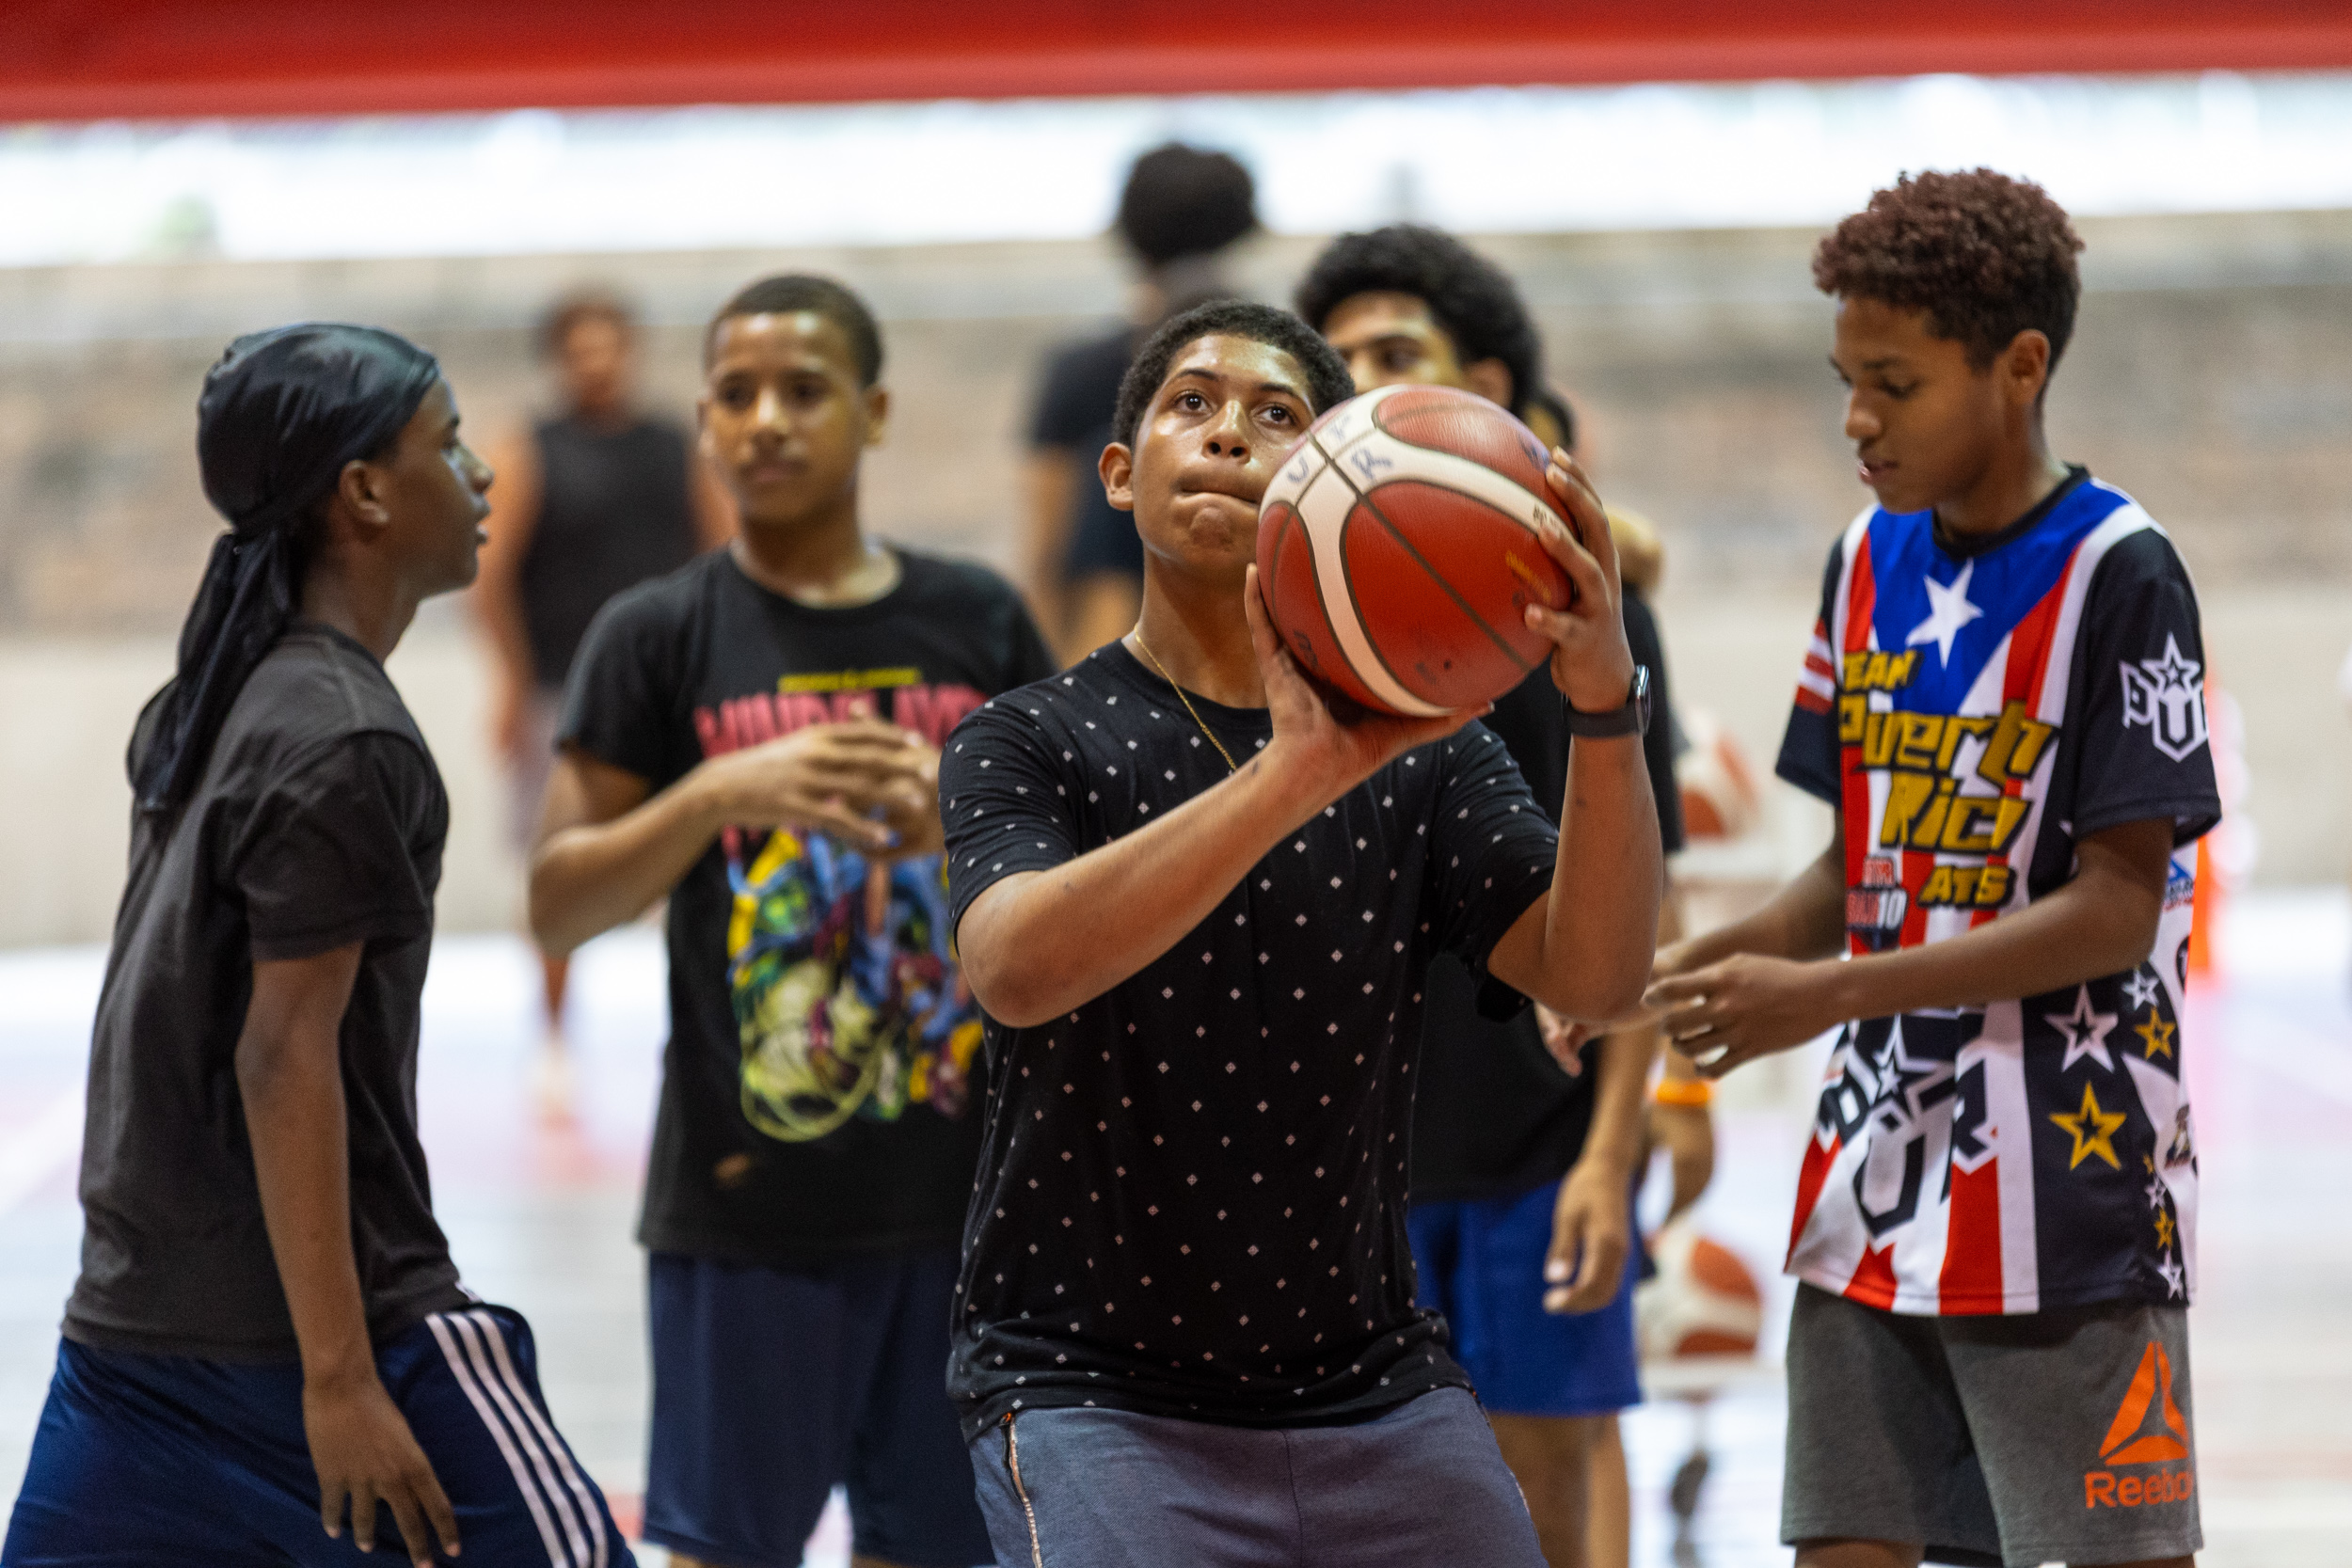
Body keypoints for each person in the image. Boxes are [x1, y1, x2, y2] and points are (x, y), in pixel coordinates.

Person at [942, 298, 1663, 1566]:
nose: (1227, 434)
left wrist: (1604, 707)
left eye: (1277, 416)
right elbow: (1011, 968)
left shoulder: (1431, 758)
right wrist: (1293, 773)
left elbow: (1596, 972)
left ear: (1328, 475)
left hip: (1371, 1383)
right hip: (1086, 1383)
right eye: (1193, 405)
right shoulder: (1028, 736)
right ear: (1120, 472)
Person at [1648, 170, 2217, 1568]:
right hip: (1872, 1176)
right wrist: (1664, 981)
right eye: (1847, 378)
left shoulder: (2122, 574)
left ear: (2019, 368)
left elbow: (2114, 909)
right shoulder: (1861, 560)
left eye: (1894, 383)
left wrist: (1828, 994)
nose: (1857, 419)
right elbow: (1861, 866)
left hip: (2073, 1200)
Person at [1, 325, 632, 1568]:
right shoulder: (347, 735)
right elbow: (281, 1052)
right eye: (447, 444)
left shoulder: (222, 695)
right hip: (328, 1336)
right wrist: (341, 1380)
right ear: (365, 492)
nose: (482, 475)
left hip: (136, 1331)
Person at [527, 274, 1056, 1568]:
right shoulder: (655, 635)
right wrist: (716, 792)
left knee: (940, 1547)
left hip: (963, 1203)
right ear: (704, 417)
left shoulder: (976, 616)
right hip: (744, 1200)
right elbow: (558, 901)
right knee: (722, 1547)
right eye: (735, 393)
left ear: (871, 411)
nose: (766, 420)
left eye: (803, 390)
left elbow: (1073, 860)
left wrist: (962, 822)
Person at [1295, 223, 1686, 1568]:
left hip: (1535, 1146)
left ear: (1486, 388)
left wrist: (1614, 1148)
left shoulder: (1583, 621)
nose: (1356, 375)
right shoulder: (1295, 622)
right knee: (1373, 1506)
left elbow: (1647, 904)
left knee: (1548, 1478)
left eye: (1394, 351)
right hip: (1355, 1157)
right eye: (1334, 357)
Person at [472, 288, 734, 1103]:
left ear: (630, 349)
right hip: (563, 691)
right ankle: (554, 1038)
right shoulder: (528, 451)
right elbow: (492, 579)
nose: (596, 362)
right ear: (559, 358)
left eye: (608, 345)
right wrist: (511, 683)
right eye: (578, 348)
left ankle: (704, 1033)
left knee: (701, 864)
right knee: (557, 864)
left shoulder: (677, 447)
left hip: (673, 690)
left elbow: (723, 552)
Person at [1023, 141, 1257, 660]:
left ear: (1130, 238)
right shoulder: (1280, 371)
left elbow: (1046, 554)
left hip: (1103, 649)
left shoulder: (1079, 370)